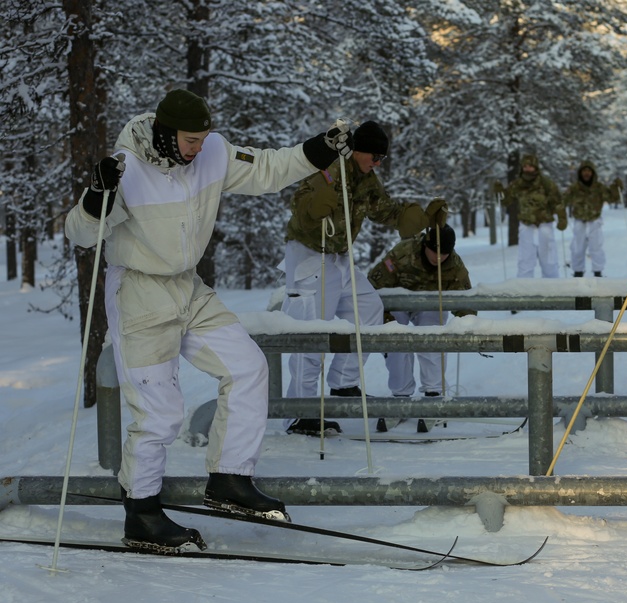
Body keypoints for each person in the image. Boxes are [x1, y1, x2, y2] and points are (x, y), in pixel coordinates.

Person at [64, 89, 353, 553]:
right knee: (159, 413)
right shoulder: (125, 167)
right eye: (190, 140)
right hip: (139, 292)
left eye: (202, 139)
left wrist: (318, 148)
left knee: (247, 367)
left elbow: (267, 168)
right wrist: (97, 195)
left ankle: (230, 479)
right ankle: (141, 512)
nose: (199, 148)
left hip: (188, 287)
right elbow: (79, 232)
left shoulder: (213, 152)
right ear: (164, 133)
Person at [281, 120, 445, 436]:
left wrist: (419, 218)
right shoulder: (330, 166)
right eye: (375, 156)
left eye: (382, 158)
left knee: (368, 309)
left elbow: (384, 209)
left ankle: (344, 382)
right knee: (312, 334)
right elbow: (300, 203)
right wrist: (314, 207)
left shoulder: (366, 178)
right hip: (310, 256)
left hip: (340, 257)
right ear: (358, 150)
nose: (378, 163)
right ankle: (299, 414)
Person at [367, 223, 475, 430]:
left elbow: (466, 301)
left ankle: (433, 396)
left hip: (431, 304)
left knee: (431, 337)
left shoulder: (454, 265)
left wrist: (465, 323)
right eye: (434, 251)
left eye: (444, 253)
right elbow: (373, 287)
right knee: (396, 340)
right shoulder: (402, 254)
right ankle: (400, 397)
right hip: (397, 303)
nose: (438, 257)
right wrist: (385, 317)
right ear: (425, 244)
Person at [492, 154, 568, 278]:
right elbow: (506, 201)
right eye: (525, 166)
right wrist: (499, 192)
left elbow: (557, 202)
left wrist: (562, 218)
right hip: (526, 226)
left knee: (549, 261)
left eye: (530, 166)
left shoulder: (546, 183)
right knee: (525, 261)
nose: (527, 169)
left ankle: (553, 289)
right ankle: (524, 290)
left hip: (545, 225)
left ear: (536, 167)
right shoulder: (517, 184)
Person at [563, 160, 622, 277]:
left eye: (589, 171)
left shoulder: (599, 187)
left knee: (596, 247)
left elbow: (612, 198)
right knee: (577, 247)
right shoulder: (574, 188)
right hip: (579, 221)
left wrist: (616, 188)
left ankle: (598, 271)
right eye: (584, 171)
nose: (586, 173)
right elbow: (563, 200)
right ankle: (578, 271)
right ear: (580, 173)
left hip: (594, 221)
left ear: (593, 173)